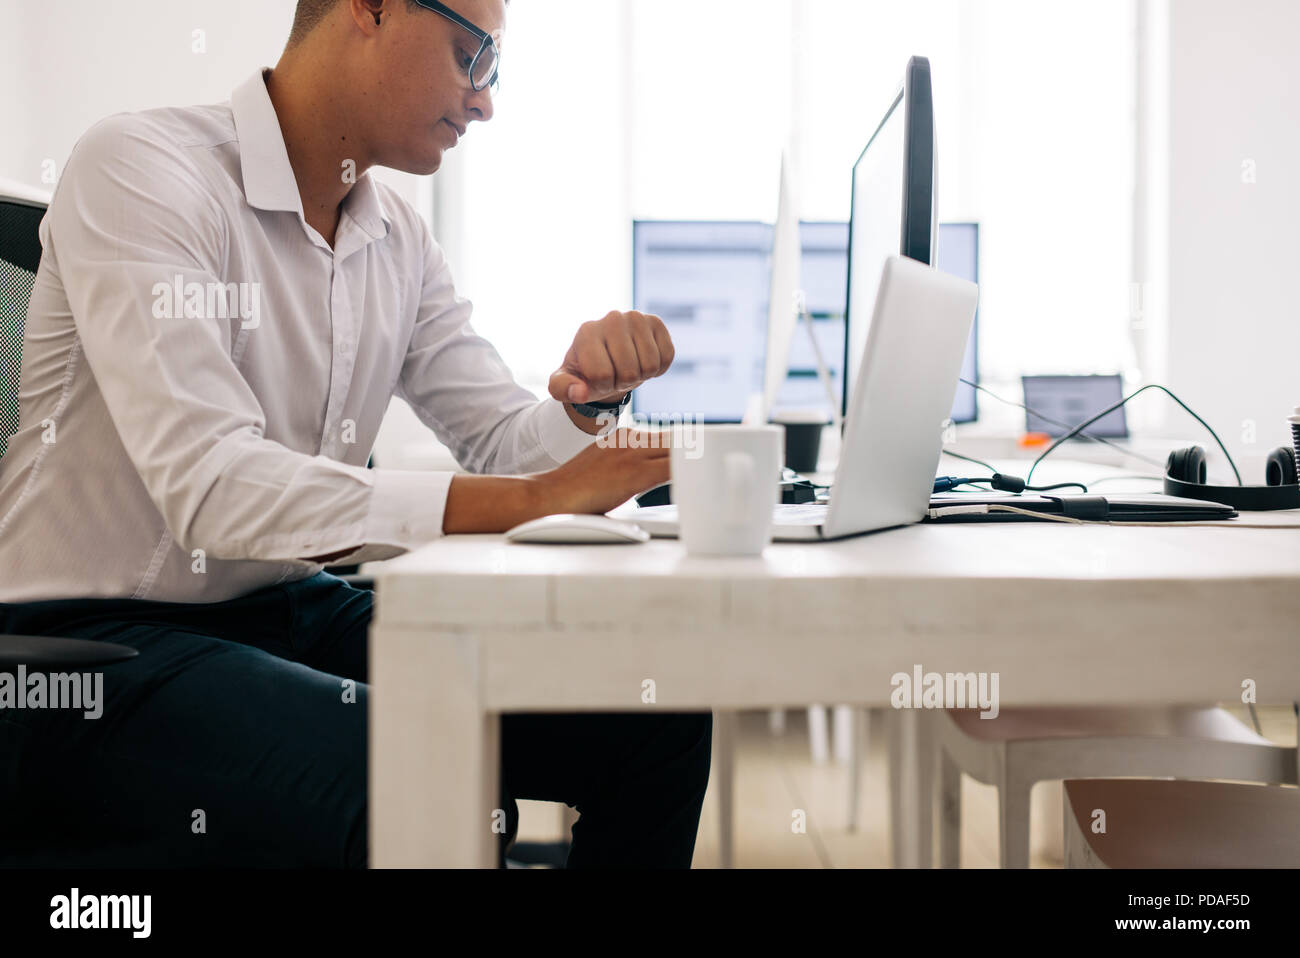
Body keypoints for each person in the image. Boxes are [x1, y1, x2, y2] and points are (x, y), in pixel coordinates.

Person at [0, 0, 711, 868]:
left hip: (286, 609)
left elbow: (499, 439)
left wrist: (585, 409)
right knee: (436, 775)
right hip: (84, 650)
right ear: (368, 10)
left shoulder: (397, 239)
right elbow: (210, 486)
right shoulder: (144, 169)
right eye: (470, 54)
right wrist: (529, 499)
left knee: (654, 714)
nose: (484, 101)